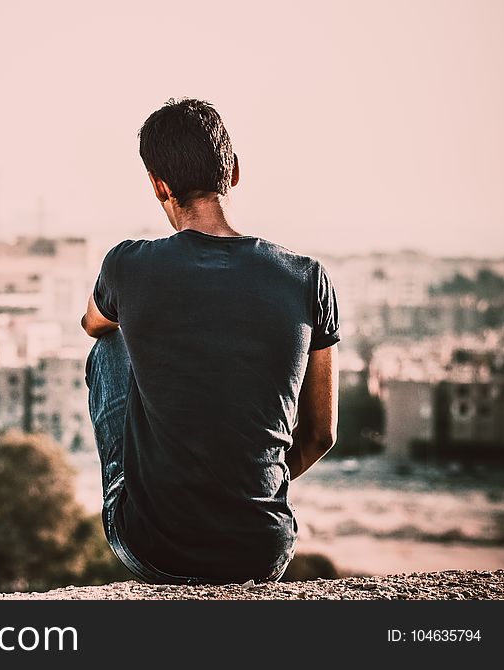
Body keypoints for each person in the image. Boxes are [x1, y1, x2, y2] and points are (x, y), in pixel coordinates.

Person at [82, 98, 339, 585]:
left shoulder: (129, 264)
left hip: (152, 543)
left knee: (111, 346)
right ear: (234, 171)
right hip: (261, 549)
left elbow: (92, 324)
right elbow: (321, 434)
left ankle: (137, 494)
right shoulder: (308, 278)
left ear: (158, 184)